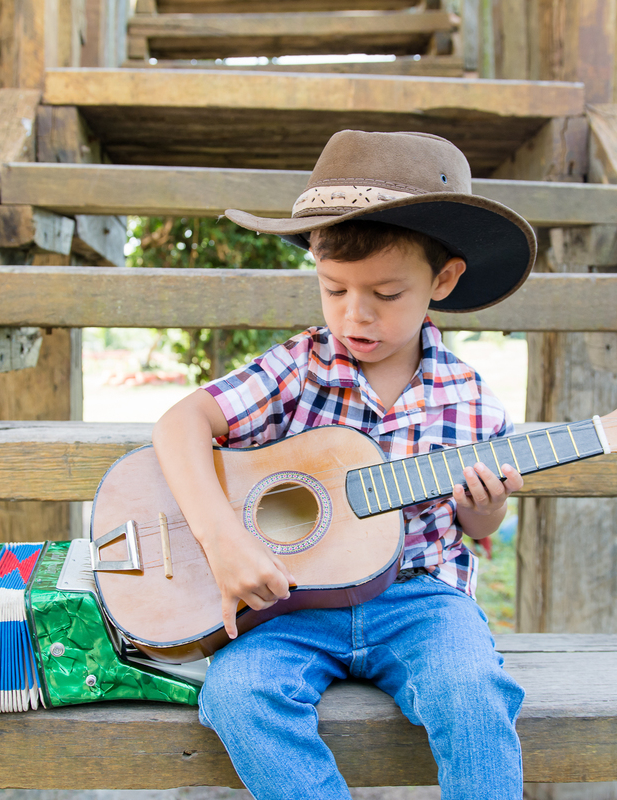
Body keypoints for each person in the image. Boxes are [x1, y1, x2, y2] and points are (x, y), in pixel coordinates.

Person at [151, 129, 537, 800]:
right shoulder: (299, 366)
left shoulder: (469, 396)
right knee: (237, 694)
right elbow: (181, 423)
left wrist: (486, 504)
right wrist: (224, 541)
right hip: (290, 603)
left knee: (473, 693)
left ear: (442, 280)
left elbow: (481, 526)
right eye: (334, 290)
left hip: (422, 599)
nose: (354, 316)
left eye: (385, 294)